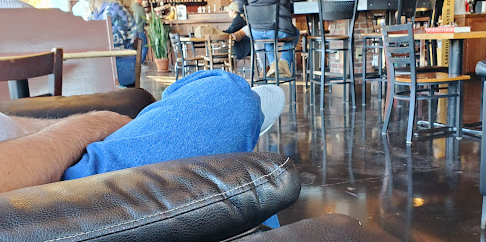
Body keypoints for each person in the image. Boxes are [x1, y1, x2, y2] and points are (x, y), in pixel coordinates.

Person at [0, 70, 285, 230]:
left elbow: (14, 126)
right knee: (226, 94)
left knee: (230, 149)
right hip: (39, 200)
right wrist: (95, 123)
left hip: (41, 167)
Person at [82, 0, 138, 86]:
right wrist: (69, 6)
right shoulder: (95, 13)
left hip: (120, 66)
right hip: (107, 65)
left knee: (79, 77)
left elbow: (115, 44)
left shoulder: (113, 9)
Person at [132, 0, 149, 64]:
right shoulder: (140, 8)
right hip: (140, 29)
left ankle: (136, 62)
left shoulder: (131, 7)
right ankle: (140, 62)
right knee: (145, 46)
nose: (142, 1)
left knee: (136, 47)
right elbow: (144, 20)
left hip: (133, 31)